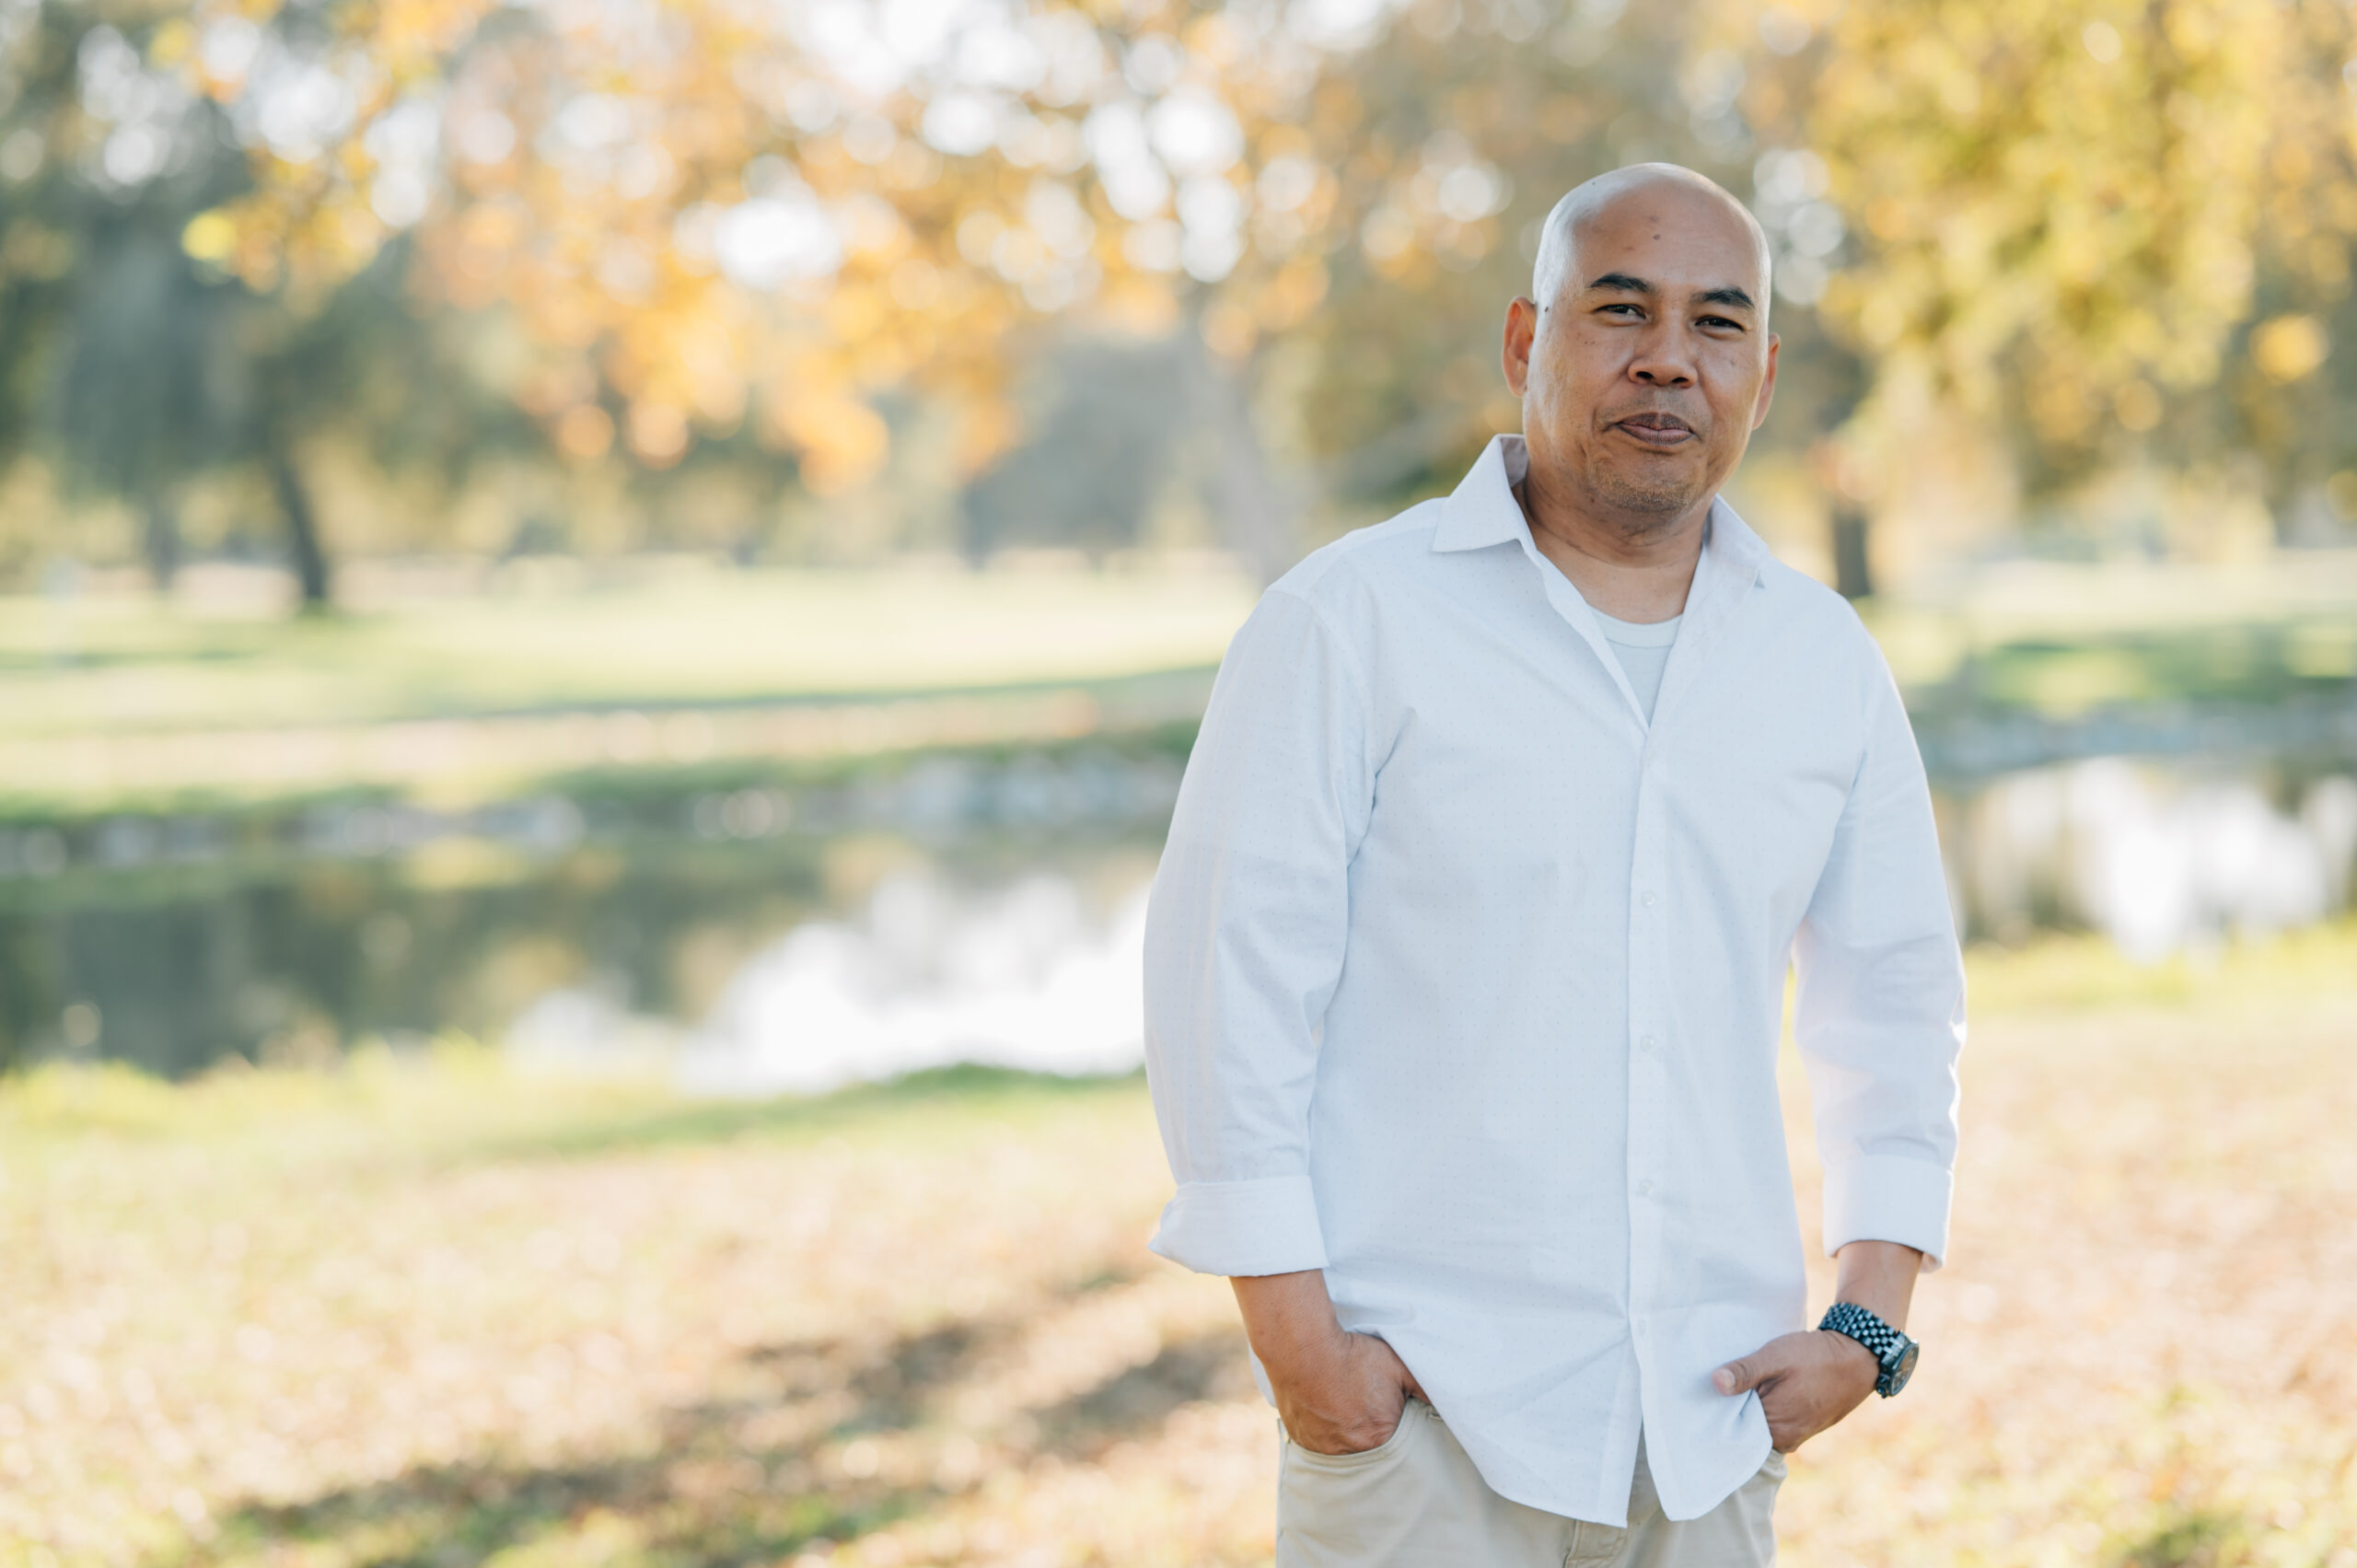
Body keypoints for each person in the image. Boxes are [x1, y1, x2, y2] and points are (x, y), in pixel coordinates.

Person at [1139, 162, 1966, 1565]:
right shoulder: (1350, 624)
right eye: (1620, 308)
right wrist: (1304, 1358)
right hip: (1423, 1432)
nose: (1666, 360)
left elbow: (1892, 1003)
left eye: (1716, 324)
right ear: (1527, 343)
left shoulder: (1822, 662)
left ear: (1760, 378)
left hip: (1710, 1433)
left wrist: (1868, 1320)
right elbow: (1227, 994)